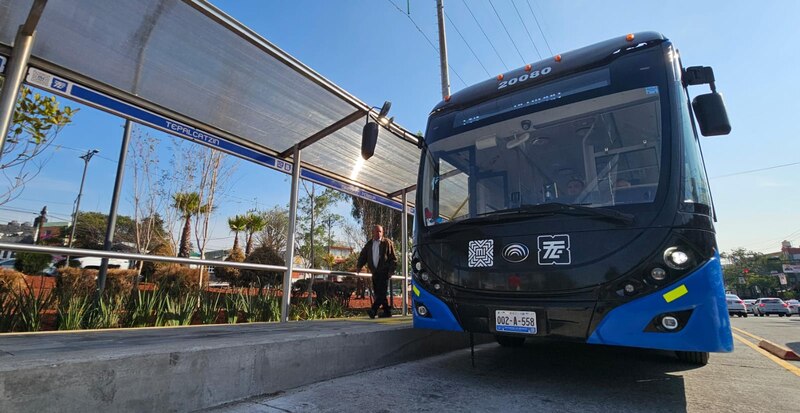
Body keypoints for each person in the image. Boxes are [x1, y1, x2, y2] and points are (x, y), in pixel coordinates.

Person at [356, 225, 397, 318]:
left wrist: (391, 270)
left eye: (380, 232)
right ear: (373, 232)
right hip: (374, 272)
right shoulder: (369, 244)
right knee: (379, 293)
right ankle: (387, 311)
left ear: (382, 233)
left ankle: (373, 310)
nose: (379, 233)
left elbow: (393, 258)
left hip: (384, 272)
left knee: (382, 292)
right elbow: (363, 256)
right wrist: (359, 266)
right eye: (377, 231)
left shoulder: (387, 243)